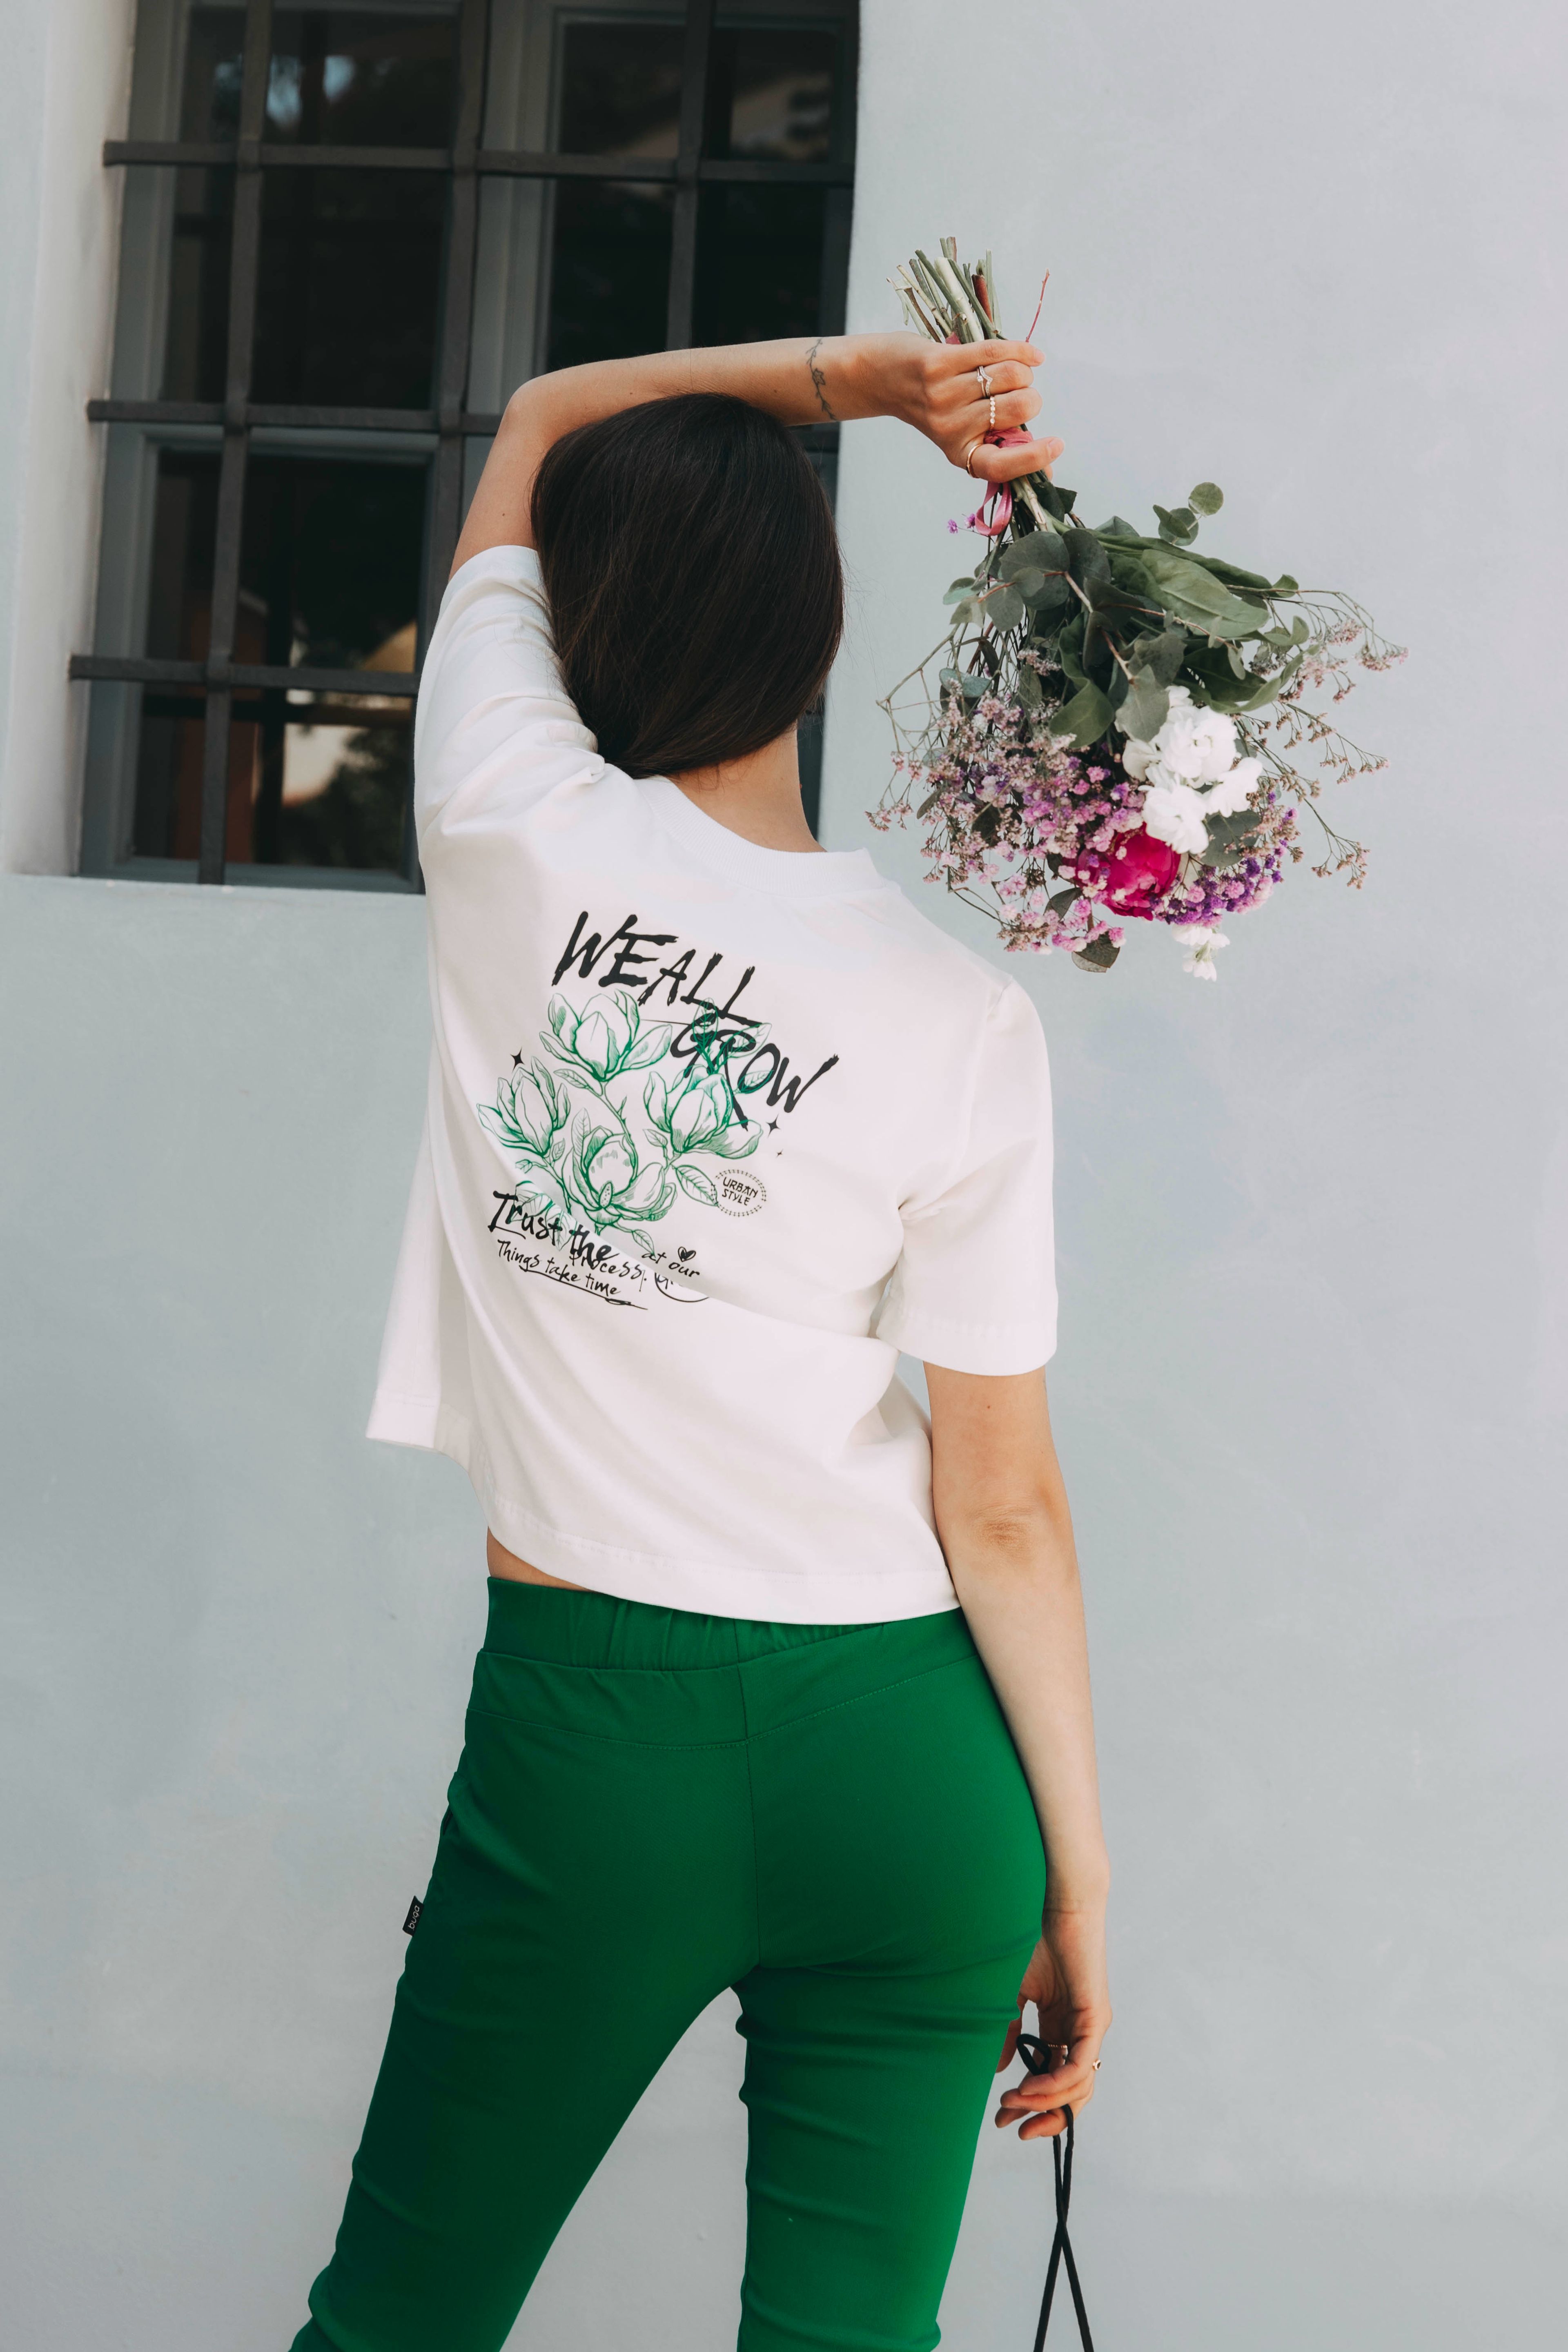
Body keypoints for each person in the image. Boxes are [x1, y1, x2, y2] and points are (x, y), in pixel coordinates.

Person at [288, 332, 1111, 2352]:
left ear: (571, 632)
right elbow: (1001, 1503)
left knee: (395, 2327)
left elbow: (540, 414)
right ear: (816, 644)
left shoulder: (509, 819)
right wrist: (1074, 1879)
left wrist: (858, 382)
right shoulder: (962, 1019)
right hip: (919, 1763)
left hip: (604, 1737)